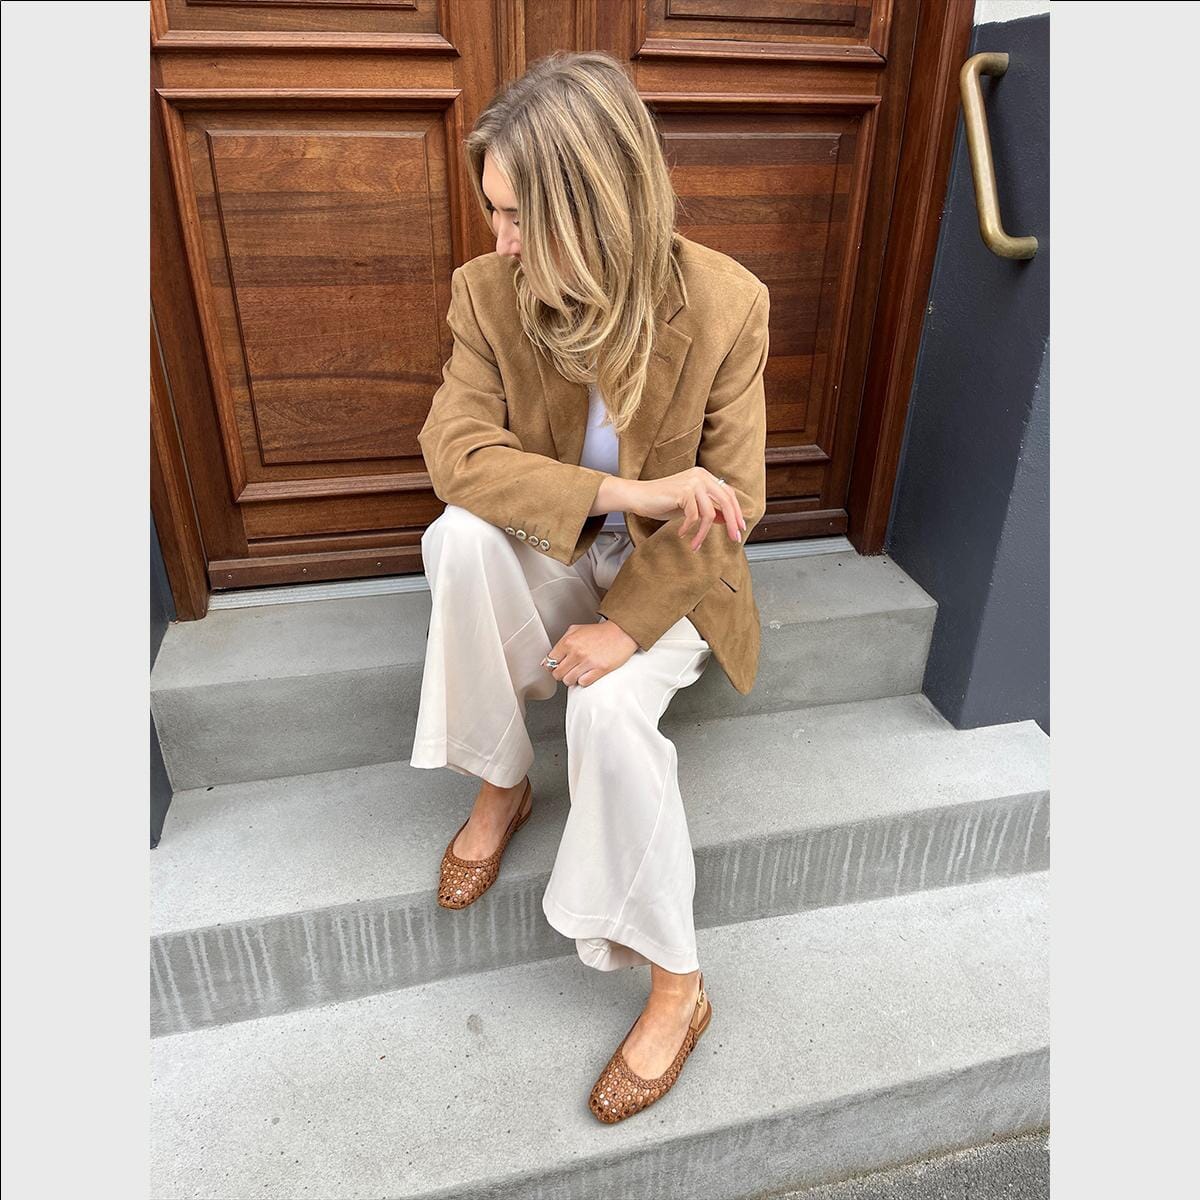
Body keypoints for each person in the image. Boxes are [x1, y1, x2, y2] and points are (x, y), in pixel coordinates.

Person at [410, 49, 769, 1124]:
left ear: (598, 207)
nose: (500, 241)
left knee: (608, 709)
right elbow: (456, 453)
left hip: (674, 576)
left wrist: (627, 626)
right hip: (558, 547)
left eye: (521, 217)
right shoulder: (488, 295)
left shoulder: (725, 304)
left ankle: (677, 984)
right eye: (494, 211)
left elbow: (734, 503)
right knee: (457, 539)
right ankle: (503, 777)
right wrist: (625, 489)